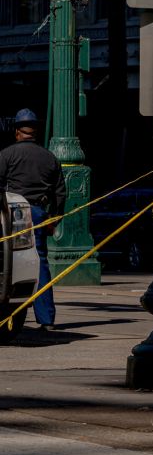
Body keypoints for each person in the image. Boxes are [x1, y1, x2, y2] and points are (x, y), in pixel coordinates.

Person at [0, 110, 66, 332]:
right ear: (34, 132)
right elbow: (60, 193)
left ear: (17, 132)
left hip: (11, 212)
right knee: (40, 264)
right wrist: (53, 219)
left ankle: (11, 314)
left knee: (9, 263)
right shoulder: (50, 158)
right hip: (37, 213)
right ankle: (46, 319)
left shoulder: (7, 155)